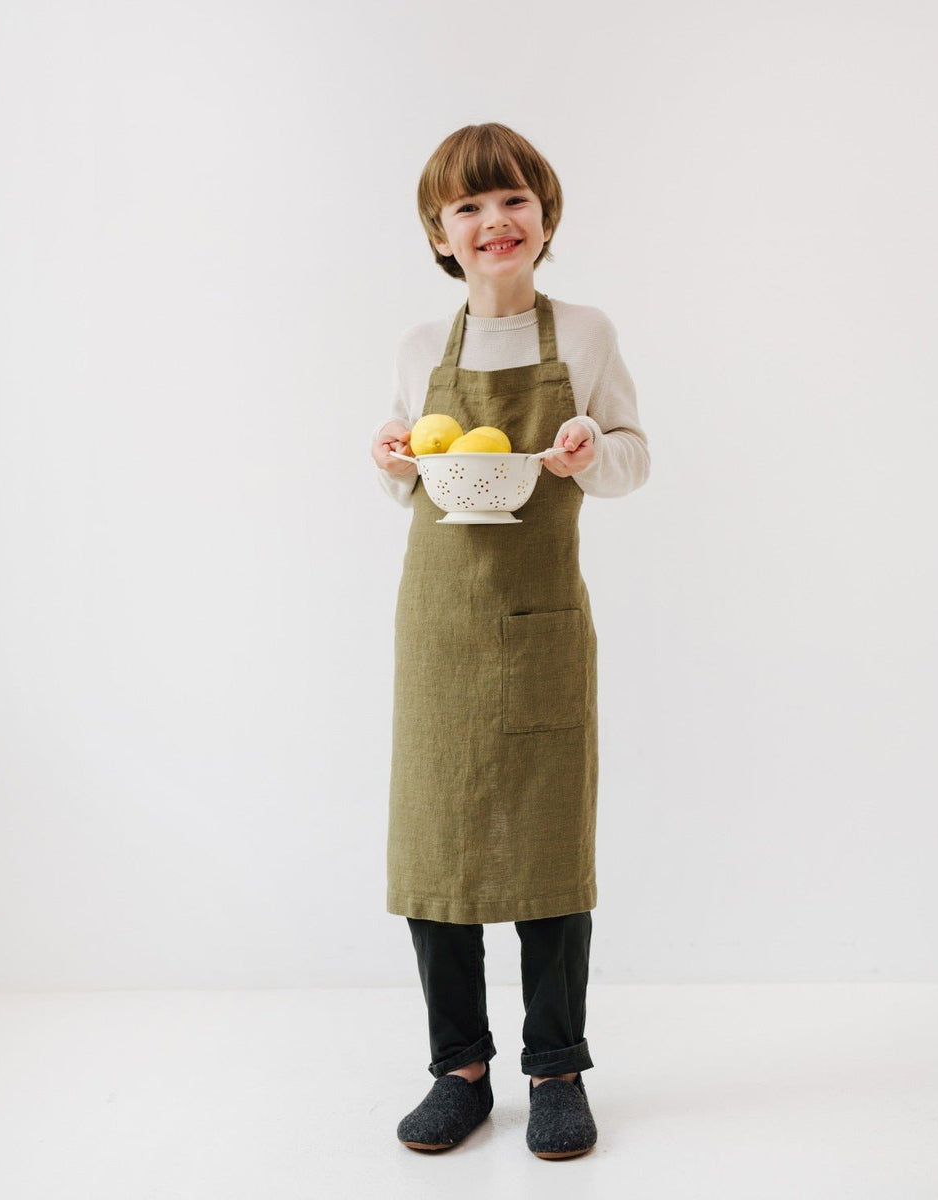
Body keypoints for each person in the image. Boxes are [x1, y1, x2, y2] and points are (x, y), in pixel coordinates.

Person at [369, 123, 650, 1159]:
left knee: (548, 848)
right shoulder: (419, 348)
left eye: (514, 199)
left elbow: (633, 456)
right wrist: (388, 456)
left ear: (545, 214)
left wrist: (588, 449)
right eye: (469, 207)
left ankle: (556, 1068)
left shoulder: (585, 333)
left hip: (542, 624)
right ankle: (459, 1068)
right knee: (435, 844)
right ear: (439, 234)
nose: (496, 221)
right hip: (440, 626)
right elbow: (410, 475)